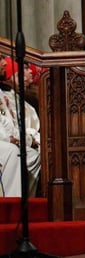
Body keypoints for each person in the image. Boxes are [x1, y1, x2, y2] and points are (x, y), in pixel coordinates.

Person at [0, 57, 41, 197]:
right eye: (0, 59)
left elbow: (6, 122)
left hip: (13, 136)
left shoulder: (8, 94)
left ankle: (26, 203)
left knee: (33, 155)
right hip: (5, 141)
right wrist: (9, 138)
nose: (4, 62)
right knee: (14, 152)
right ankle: (12, 206)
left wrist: (27, 139)